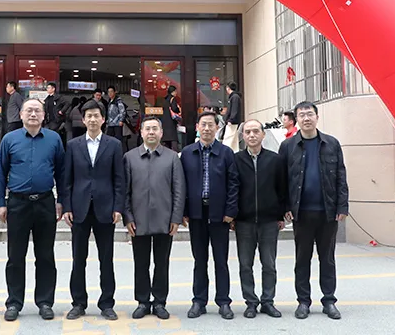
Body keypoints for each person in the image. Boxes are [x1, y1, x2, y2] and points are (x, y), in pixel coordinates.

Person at [278, 101, 349, 321]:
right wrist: (285, 207)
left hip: (328, 211)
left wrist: (342, 206)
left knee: (327, 259)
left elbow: (341, 176)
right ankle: (303, 301)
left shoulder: (331, 143)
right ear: (296, 120)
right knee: (302, 259)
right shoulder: (287, 146)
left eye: (310, 114)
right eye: (302, 115)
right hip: (301, 213)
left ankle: (329, 301)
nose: (306, 118)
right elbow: (282, 180)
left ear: (317, 117)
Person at [0, 97, 65, 322]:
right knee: (15, 256)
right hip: (18, 203)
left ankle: (45, 302)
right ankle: (14, 302)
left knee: (45, 255)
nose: (33, 114)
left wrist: (61, 200)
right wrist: (1, 203)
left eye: (37, 111)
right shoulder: (9, 139)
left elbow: (62, 172)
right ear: (21, 115)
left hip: (45, 202)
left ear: (44, 115)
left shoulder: (54, 139)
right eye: (29, 111)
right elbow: (0, 173)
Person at [61, 100, 124, 321]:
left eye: (96, 115)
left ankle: (107, 303)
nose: (93, 119)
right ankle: (78, 303)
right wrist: (67, 207)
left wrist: (118, 207)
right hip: (79, 209)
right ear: (83, 119)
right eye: (89, 116)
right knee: (78, 259)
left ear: (103, 119)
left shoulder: (114, 145)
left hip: (105, 208)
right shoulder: (73, 145)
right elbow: (67, 180)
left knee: (106, 259)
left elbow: (119, 179)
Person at [123, 116, 185, 320]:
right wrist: (127, 217)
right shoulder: (130, 158)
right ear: (141, 132)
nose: (151, 132)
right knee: (140, 263)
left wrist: (176, 218)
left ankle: (159, 302)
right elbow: (125, 192)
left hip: (164, 220)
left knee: (162, 263)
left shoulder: (172, 158)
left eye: (155, 129)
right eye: (147, 129)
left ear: (161, 133)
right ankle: (142, 301)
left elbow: (179, 190)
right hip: (138, 220)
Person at [180, 111, 239, 320]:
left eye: (210, 125)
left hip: (219, 215)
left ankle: (223, 301)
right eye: (203, 124)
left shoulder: (226, 153)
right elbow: (181, 185)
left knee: (221, 260)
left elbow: (233, 184)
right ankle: (199, 301)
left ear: (217, 128)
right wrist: (184, 212)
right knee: (199, 260)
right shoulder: (187, 153)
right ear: (197, 127)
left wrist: (230, 212)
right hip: (196, 214)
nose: (206, 128)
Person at [234, 120, 287, 319]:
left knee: (269, 264)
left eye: (256, 131)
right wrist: (233, 215)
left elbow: (282, 189)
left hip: (269, 221)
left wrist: (280, 215)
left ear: (263, 134)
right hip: (244, 221)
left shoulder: (275, 160)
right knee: (245, 264)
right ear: (243, 136)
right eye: (247, 132)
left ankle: (268, 301)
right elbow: (232, 190)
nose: (252, 135)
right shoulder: (236, 160)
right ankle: (250, 302)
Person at [222, 82, 243, 152]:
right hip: (233, 121)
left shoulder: (234, 97)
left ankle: (225, 153)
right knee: (233, 140)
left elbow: (234, 109)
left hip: (232, 122)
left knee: (228, 139)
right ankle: (234, 152)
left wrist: (230, 120)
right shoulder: (235, 97)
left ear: (228, 88)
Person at [160, 86, 181, 151]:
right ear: (173, 92)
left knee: (166, 142)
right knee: (173, 140)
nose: (176, 93)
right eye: (175, 91)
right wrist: (178, 110)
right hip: (171, 122)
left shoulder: (165, 99)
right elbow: (174, 108)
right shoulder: (172, 99)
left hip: (164, 122)